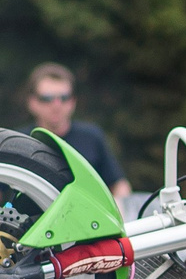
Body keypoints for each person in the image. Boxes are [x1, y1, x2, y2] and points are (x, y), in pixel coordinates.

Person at [23, 63, 131, 199]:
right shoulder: (20, 140)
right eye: (47, 98)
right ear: (32, 102)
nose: (56, 105)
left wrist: (119, 206)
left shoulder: (91, 137)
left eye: (64, 98)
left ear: (73, 101)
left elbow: (119, 185)